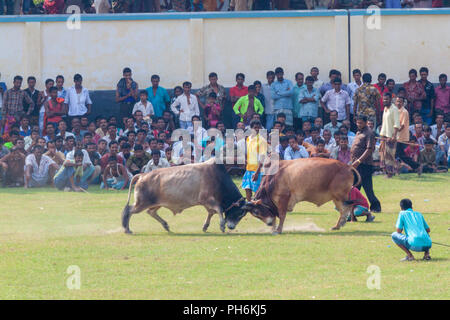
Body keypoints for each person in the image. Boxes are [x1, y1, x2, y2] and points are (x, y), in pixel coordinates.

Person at [242, 120, 267, 201]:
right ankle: (249, 205)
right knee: (247, 188)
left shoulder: (262, 140)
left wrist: (257, 172)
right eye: (255, 128)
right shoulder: (248, 139)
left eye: (258, 128)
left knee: (258, 191)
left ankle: (260, 206)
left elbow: (262, 157)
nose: (257, 129)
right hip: (249, 168)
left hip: (257, 169)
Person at [379, 92, 400, 177]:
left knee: (390, 156)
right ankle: (387, 172)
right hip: (384, 136)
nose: (385, 101)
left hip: (391, 136)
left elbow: (396, 124)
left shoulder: (394, 109)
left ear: (390, 99)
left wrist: (393, 136)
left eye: (386, 99)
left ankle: (390, 173)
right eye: (384, 99)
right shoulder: (385, 108)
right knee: (383, 155)